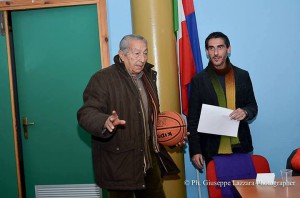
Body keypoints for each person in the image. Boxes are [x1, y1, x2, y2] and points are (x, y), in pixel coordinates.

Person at [77, 34, 184, 198]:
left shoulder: (148, 77)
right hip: (120, 166)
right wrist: (105, 121)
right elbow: (86, 113)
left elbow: (150, 119)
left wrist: (172, 134)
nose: (142, 59)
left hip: (149, 163)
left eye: (145, 53)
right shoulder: (103, 78)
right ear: (122, 55)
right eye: (136, 53)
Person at [187, 32, 258, 169]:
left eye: (220, 47)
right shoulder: (199, 80)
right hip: (211, 149)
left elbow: (252, 106)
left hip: (241, 145)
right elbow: (193, 118)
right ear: (207, 52)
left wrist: (245, 112)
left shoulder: (242, 75)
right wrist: (195, 150)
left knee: (245, 189)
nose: (216, 53)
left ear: (228, 49)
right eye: (211, 48)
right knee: (219, 190)